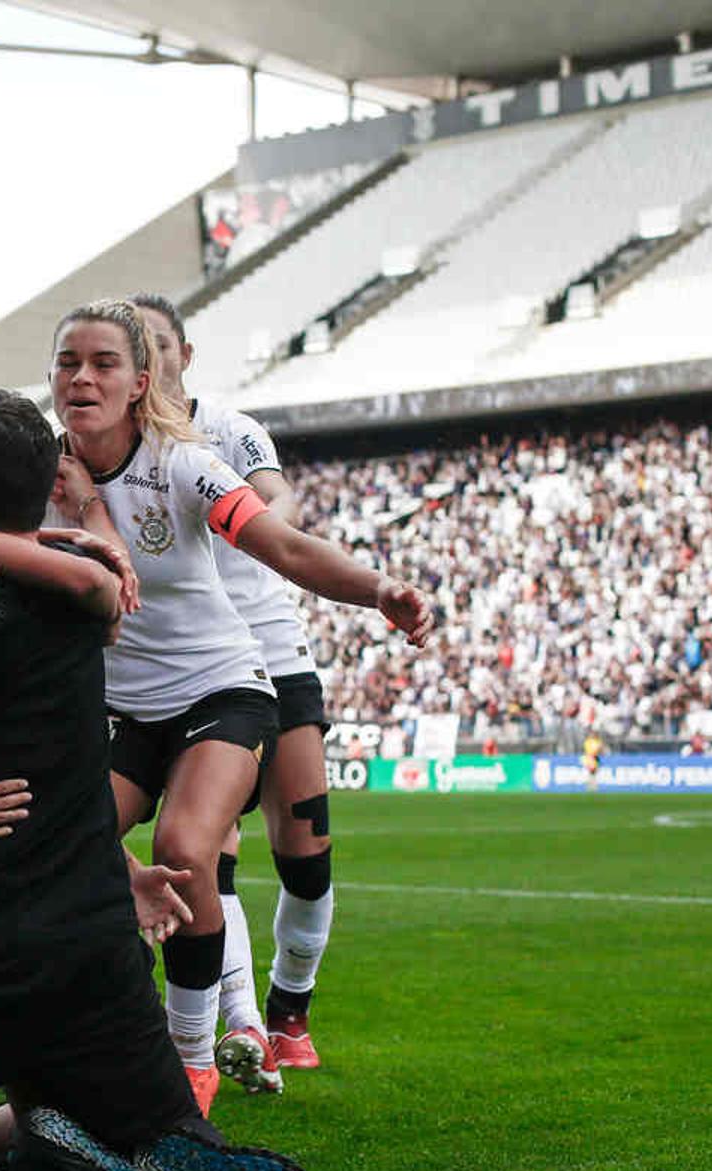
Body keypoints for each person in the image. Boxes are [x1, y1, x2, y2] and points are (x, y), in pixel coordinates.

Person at [0, 387, 330, 1171]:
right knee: (163, 1123)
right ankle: (154, 1143)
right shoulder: (86, 590)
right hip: (94, 945)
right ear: (46, 484)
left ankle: (20, 1170)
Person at [46, 298, 431, 1115]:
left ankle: (193, 1064)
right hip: (120, 714)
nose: (82, 377)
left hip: (221, 689)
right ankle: (127, 1018)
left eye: (103, 363)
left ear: (141, 379)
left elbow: (283, 545)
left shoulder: (184, 463)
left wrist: (379, 590)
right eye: (68, 362)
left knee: (188, 843)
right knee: (57, 846)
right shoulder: (37, 473)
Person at [133, 293, 333, 1088]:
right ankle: (238, 1023)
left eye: (158, 344)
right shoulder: (115, 440)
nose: (150, 360)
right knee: (203, 854)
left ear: (184, 351)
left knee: (306, 851)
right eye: (133, 347)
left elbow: (278, 498)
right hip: (186, 665)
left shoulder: (227, 429)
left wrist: (243, 518)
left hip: (270, 648)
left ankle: (291, 1004)